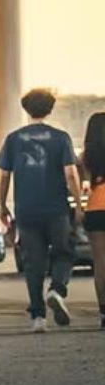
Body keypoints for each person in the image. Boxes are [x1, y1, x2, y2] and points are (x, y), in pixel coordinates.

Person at [0, 87, 84, 332]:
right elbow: (70, 174)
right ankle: (56, 289)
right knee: (65, 252)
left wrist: (2, 207)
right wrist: (77, 204)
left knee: (33, 262)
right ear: (50, 109)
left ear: (26, 109)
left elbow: (3, 176)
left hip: (26, 210)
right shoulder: (61, 137)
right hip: (55, 208)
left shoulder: (13, 139)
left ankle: (38, 317)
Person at [81, 111, 105, 330]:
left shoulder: (86, 156)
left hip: (96, 207)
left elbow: (83, 184)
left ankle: (104, 312)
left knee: (100, 262)